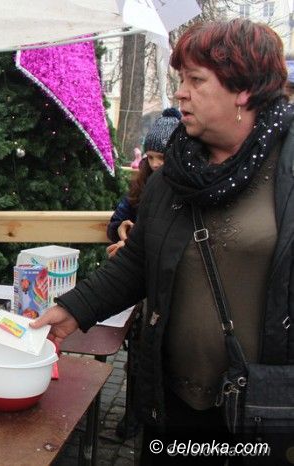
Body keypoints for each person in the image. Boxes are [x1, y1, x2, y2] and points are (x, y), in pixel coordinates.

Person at [32, 19, 294, 465]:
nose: (180, 93)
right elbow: (138, 261)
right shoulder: (174, 172)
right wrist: (74, 309)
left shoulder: (286, 166)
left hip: (263, 410)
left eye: (196, 80)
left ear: (244, 89)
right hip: (174, 405)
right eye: (181, 79)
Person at [106, 108, 181, 258]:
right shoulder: (142, 183)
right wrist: (120, 228)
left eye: (161, 157)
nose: (154, 164)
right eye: (150, 157)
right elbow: (115, 223)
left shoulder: (185, 188)